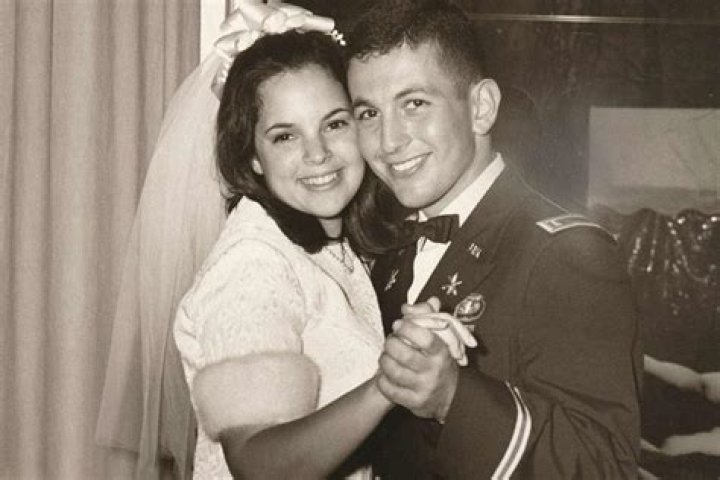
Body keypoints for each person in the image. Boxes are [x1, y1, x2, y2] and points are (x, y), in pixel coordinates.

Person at [345, 0, 643, 478]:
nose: (388, 141)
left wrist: (453, 398)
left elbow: (605, 466)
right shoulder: (387, 248)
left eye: (414, 104)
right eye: (368, 113)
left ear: (481, 108)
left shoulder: (567, 255)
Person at [172, 18, 473, 479]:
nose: (318, 155)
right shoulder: (253, 264)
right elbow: (257, 464)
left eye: (334, 124)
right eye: (285, 136)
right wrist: (386, 385)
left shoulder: (328, 242)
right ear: (252, 156)